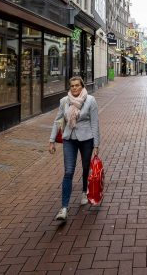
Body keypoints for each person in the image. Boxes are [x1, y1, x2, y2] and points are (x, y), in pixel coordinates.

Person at [49, 76, 100, 221]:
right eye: (72, 86)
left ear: (82, 86)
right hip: (69, 139)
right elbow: (57, 121)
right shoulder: (64, 101)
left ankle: (85, 191)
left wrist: (96, 144)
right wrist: (51, 140)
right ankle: (64, 208)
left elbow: (95, 123)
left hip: (86, 139)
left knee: (85, 167)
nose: (75, 88)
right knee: (69, 171)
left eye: (77, 85)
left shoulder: (90, 100)